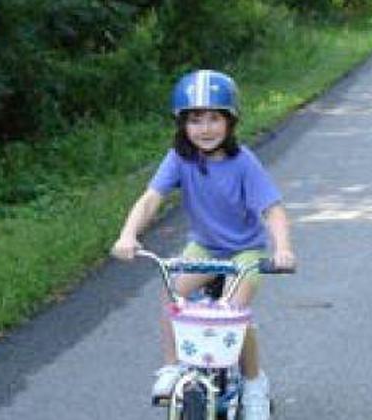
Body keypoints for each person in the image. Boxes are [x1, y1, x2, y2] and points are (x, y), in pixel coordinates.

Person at [110, 69, 295, 420]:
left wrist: (282, 248)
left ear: (230, 121)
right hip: (205, 247)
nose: (205, 129)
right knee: (172, 291)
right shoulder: (180, 158)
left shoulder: (244, 163)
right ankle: (171, 367)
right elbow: (151, 198)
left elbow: (273, 210)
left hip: (245, 251)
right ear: (182, 124)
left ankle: (255, 383)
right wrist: (128, 234)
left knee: (233, 315)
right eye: (195, 120)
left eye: (214, 119)